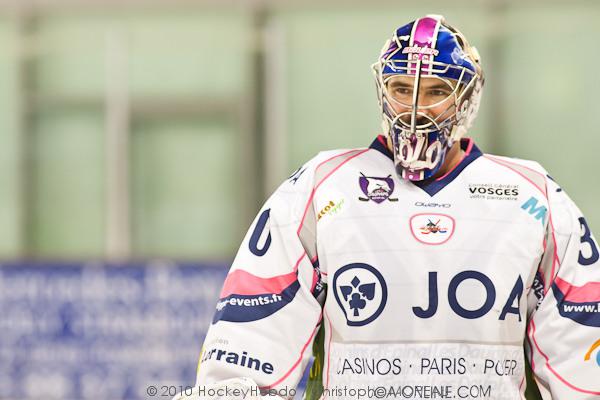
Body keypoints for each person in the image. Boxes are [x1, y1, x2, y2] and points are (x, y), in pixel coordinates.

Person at [175, 15, 600, 400]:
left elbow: (582, 340)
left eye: (437, 91)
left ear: (467, 99)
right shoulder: (320, 186)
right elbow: (254, 330)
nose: (415, 109)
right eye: (401, 88)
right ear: (383, 91)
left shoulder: (534, 194)